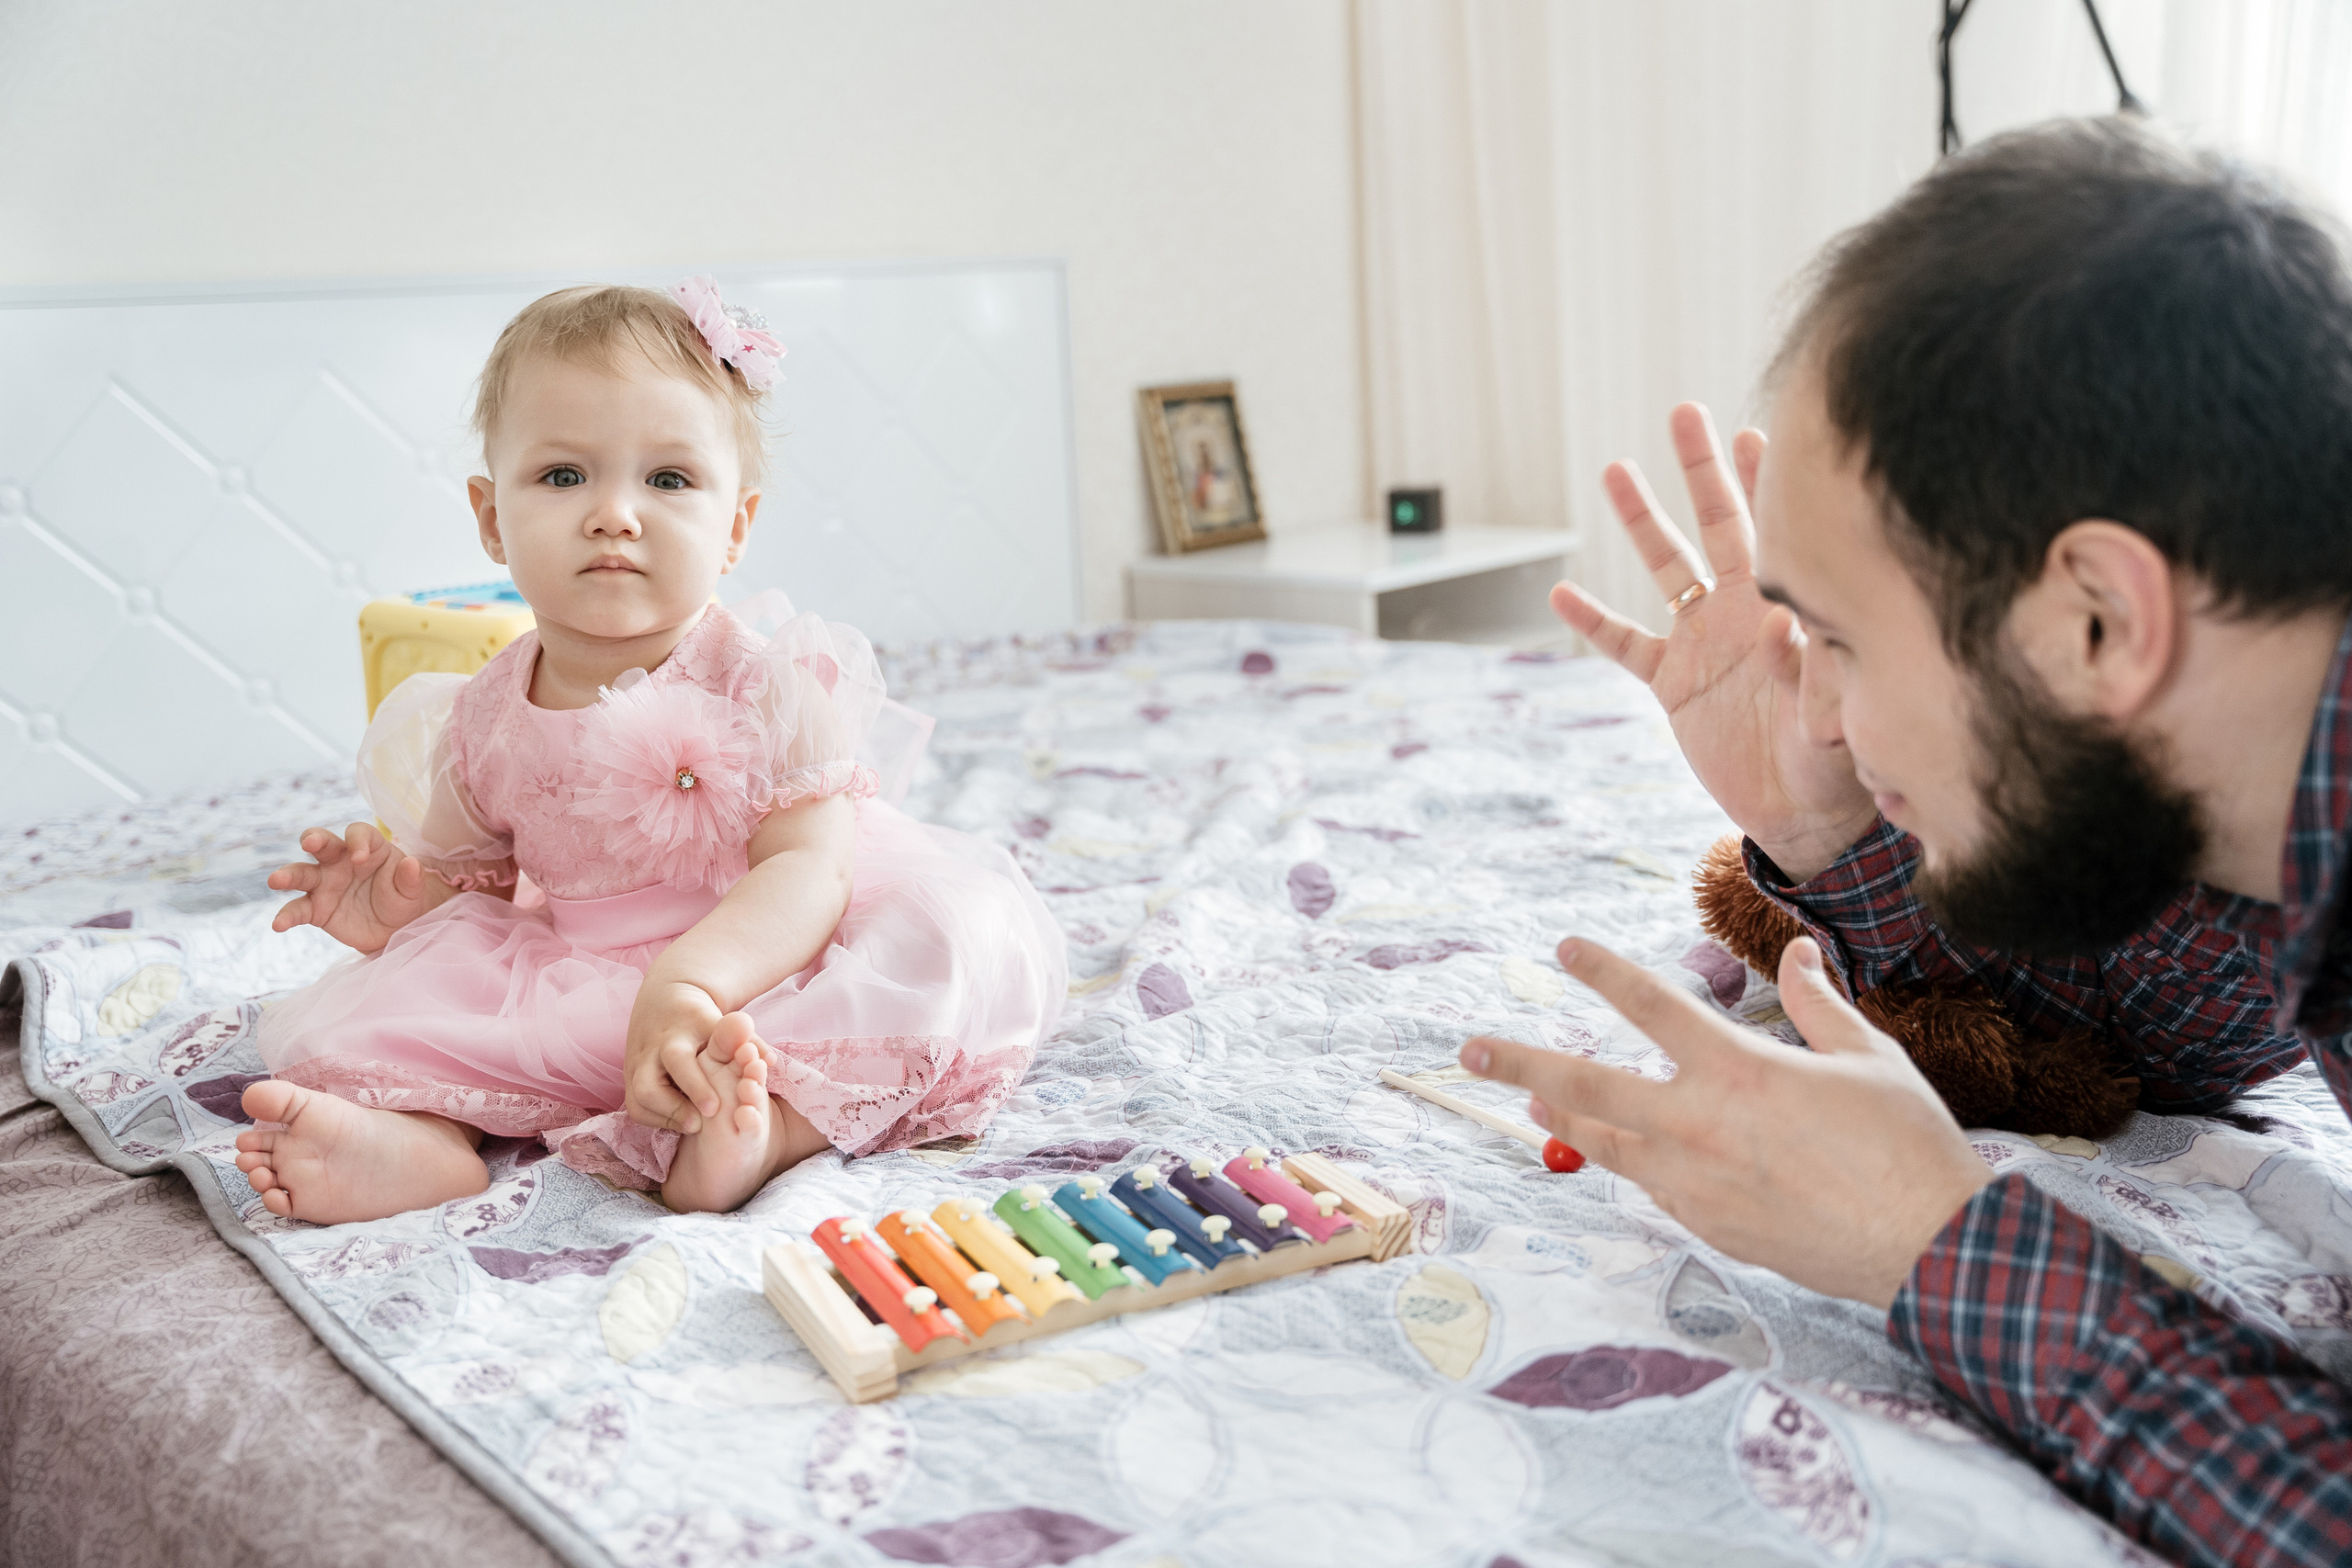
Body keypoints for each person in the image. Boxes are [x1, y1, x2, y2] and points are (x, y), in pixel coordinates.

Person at [1464, 118, 2352, 1564]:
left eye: (1839, 638)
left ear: (2098, 620)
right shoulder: (2275, 813)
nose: (1819, 707)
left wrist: (1928, 1233)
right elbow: (2155, 1029)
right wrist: (1825, 831)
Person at [232, 280, 1066, 1222]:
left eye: (667, 480)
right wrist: (398, 910)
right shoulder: (481, 720)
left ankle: (768, 1123)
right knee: (404, 1013)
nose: (614, 514)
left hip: (769, 967)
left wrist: (693, 983)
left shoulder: (768, 684)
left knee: (949, 935)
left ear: (735, 526)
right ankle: (422, 1144)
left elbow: (810, 870)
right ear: (491, 519)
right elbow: (477, 903)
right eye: (563, 476)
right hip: (582, 994)